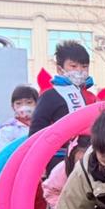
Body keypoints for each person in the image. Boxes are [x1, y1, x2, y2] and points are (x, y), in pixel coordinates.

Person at [30, 41, 96, 172]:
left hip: (90, 158)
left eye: (84, 66)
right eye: (73, 66)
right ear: (60, 69)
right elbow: (36, 130)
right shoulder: (50, 95)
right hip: (59, 160)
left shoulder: (91, 97)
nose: (80, 71)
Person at [0, 85, 39, 155]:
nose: (24, 106)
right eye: (18, 103)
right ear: (13, 106)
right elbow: (1, 154)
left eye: (29, 102)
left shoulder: (44, 124)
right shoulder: (8, 129)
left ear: (37, 104)